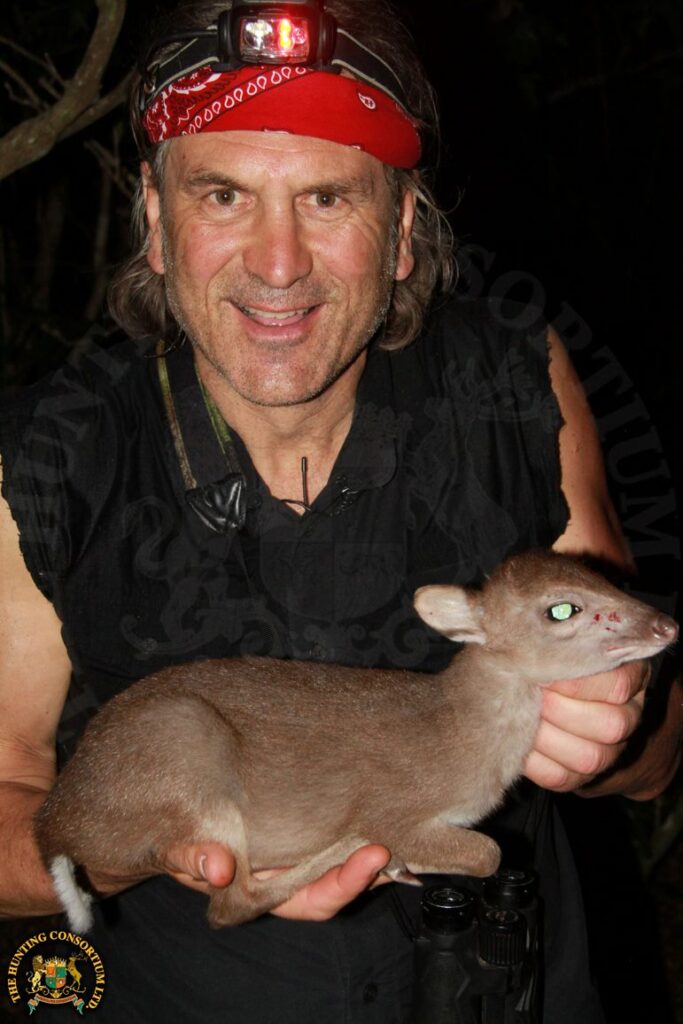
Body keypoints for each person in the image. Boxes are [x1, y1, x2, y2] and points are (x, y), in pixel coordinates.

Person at [0, 0, 680, 1020]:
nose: (278, 265)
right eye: (223, 193)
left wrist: (614, 734)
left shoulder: (509, 384)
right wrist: (156, 843)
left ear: (404, 230)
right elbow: (11, 797)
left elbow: (655, 756)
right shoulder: (51, 452)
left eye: (326, 198)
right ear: (154, 216)